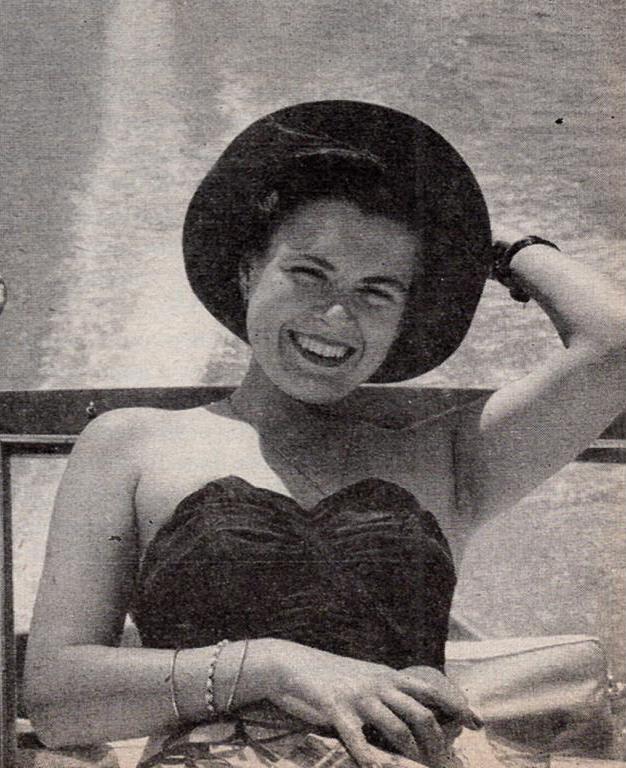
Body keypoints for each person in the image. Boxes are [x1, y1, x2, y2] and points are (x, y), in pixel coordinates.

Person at [24, 101, 626, 768]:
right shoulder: (130, 445)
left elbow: (613, 345)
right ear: (249, 270)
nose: (336, 316)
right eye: (308, 273)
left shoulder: (449, 457)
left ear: (404, 318)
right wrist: (277, 667)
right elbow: (55, 700)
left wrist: (492, 248)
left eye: (377, 291)